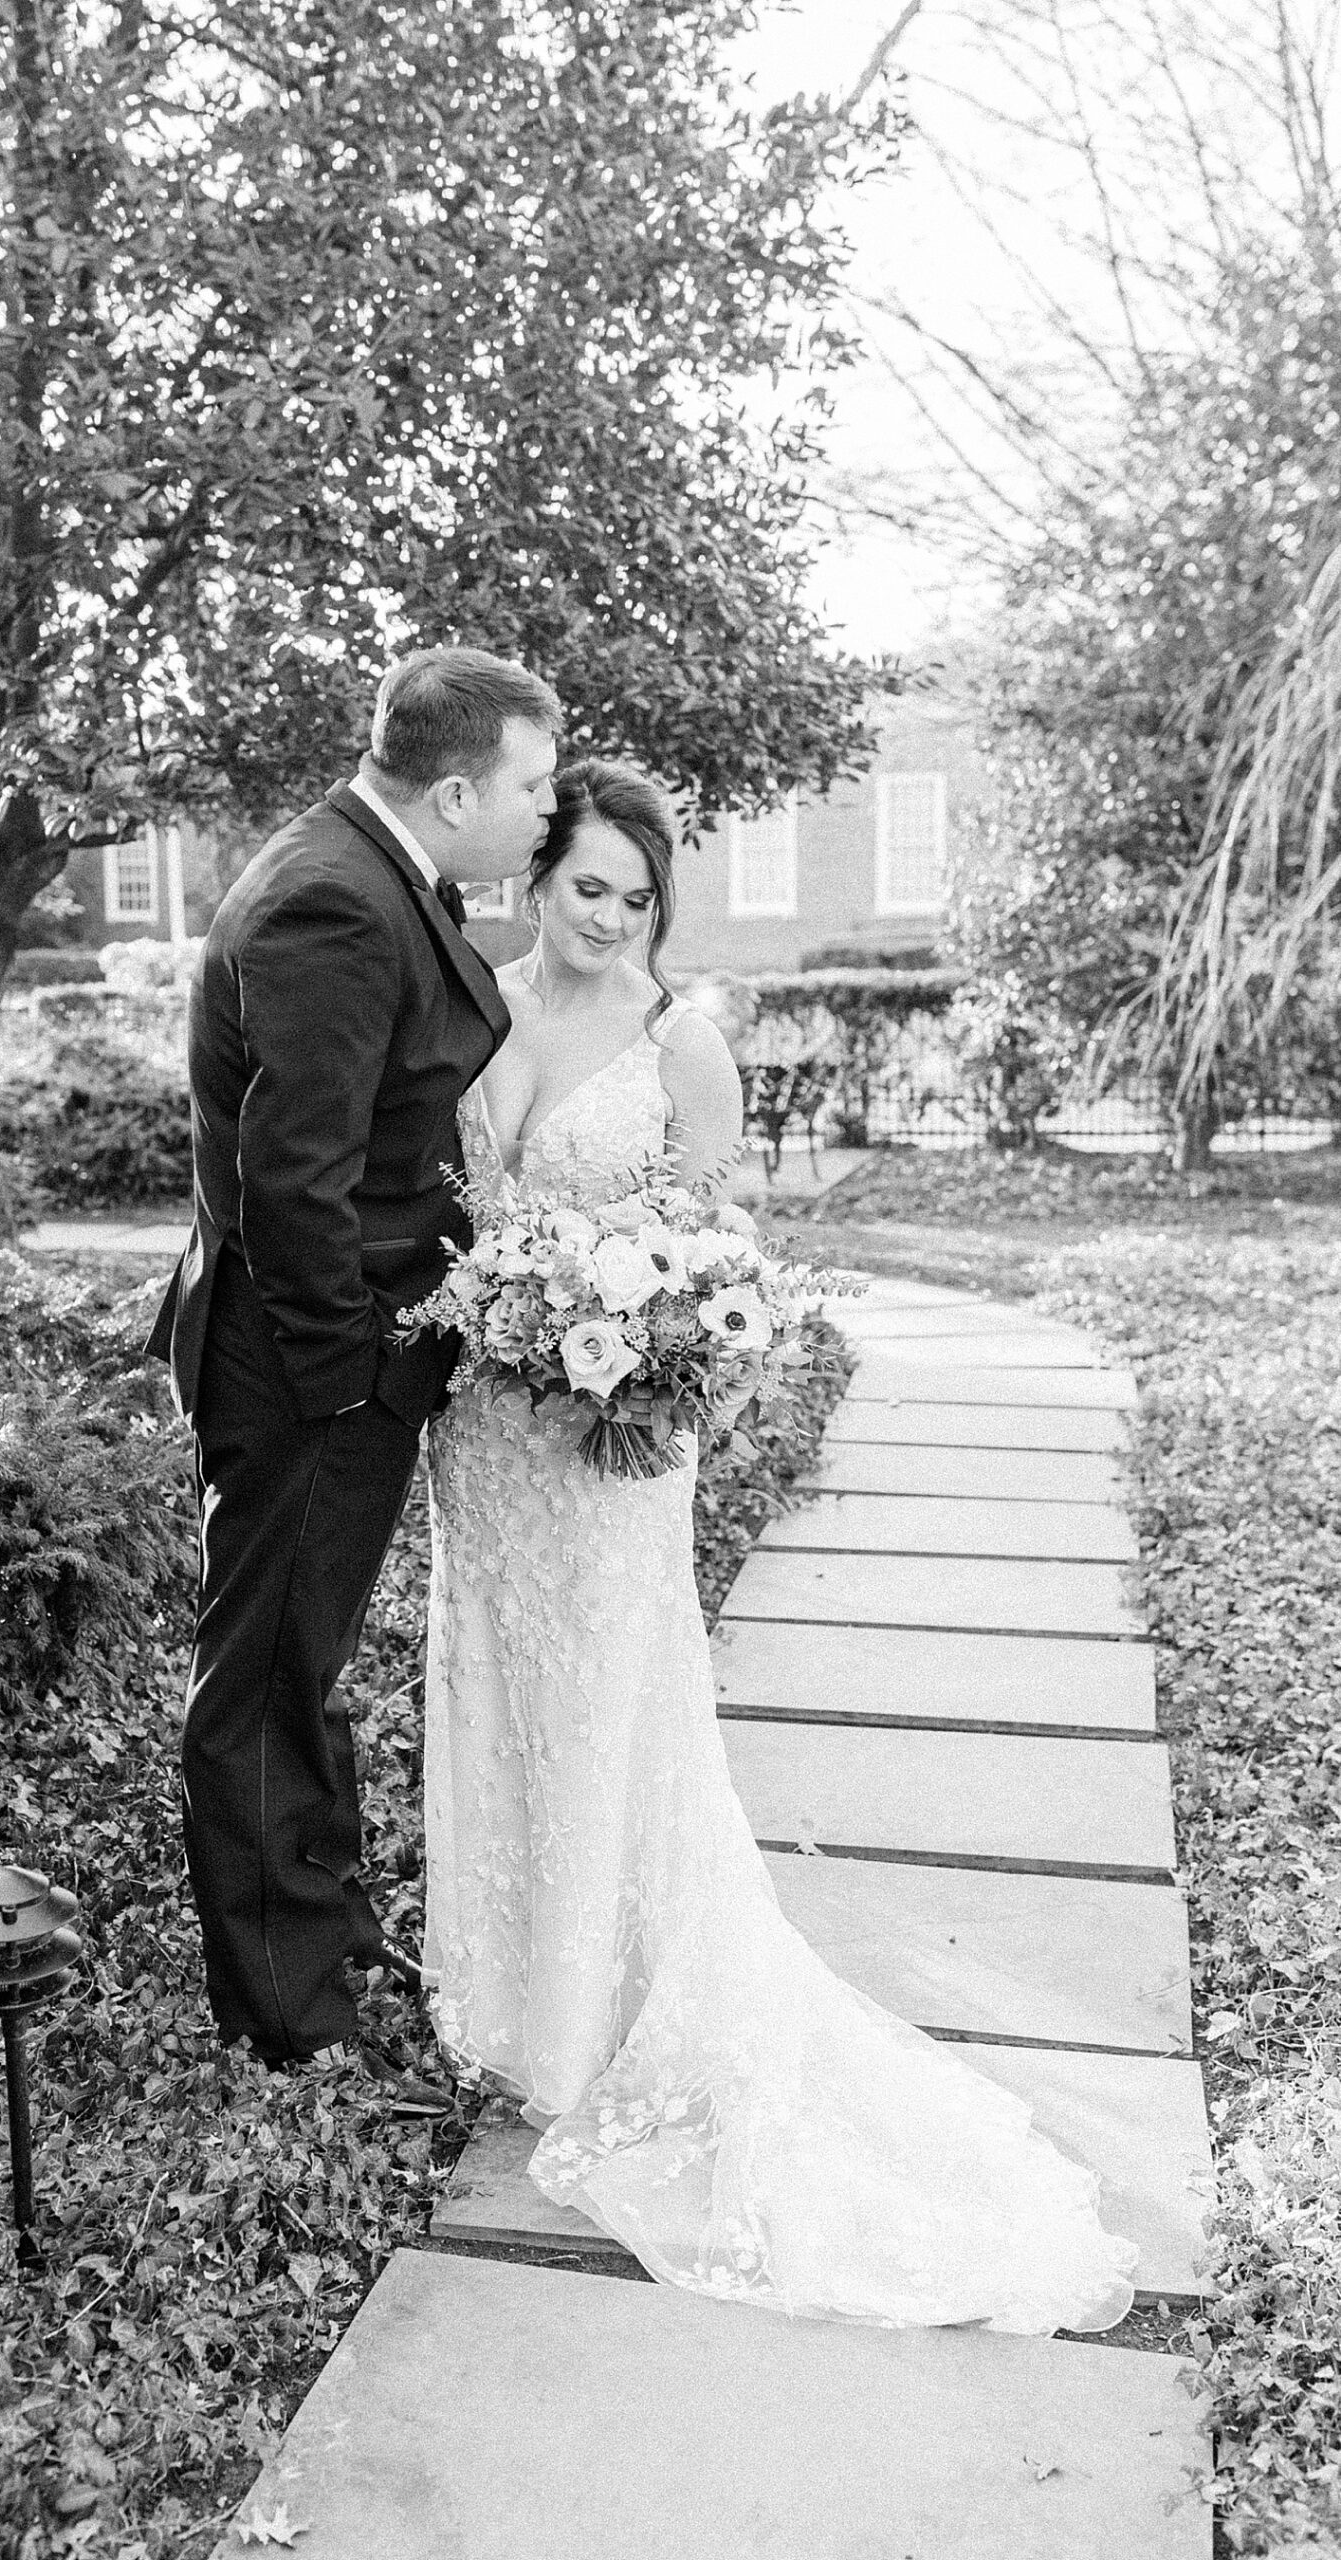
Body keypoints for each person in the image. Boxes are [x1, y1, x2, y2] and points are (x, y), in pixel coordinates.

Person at [421, 756, 1139, 2330]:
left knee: (615, 1707)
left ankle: (613, 2024)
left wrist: (626, 1323)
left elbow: (716, 1248)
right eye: (583, 886)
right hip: (485, 1438)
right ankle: (520, 2003)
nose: (606, 917)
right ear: (535, 881)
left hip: (611, 1451)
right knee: (502, 1692)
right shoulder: (473, 1004)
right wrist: (501, 1314)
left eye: (633, 895)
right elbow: (457, 1209)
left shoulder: (683, 1041)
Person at [147, 647, 561, 2099]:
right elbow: (293, 1184)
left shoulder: (376, 873)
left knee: (305, 1668)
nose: (542, 811)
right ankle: (284, 2014)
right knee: (263, 1680)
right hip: (305, 1363)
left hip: (340, 1352)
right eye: (530, 785)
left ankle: (316, 1932)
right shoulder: (330, 897)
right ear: (455, 790)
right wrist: (347, 1382)